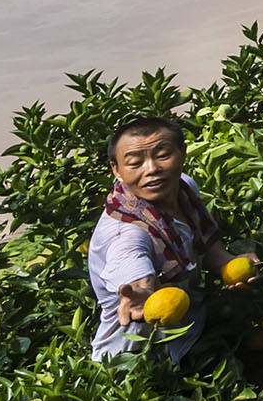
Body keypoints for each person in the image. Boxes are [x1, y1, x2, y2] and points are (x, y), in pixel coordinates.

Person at [88, 113, 237, 363]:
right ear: (116, 169)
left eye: (162, 155)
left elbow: (203, 241)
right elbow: (132, 268)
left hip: (189, 333)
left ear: (182, 153)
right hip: (135, 361)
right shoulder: (125, 233)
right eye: (135, 162)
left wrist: (227, 264)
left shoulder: (184, 188)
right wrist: (141, 290)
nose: (152, 169)